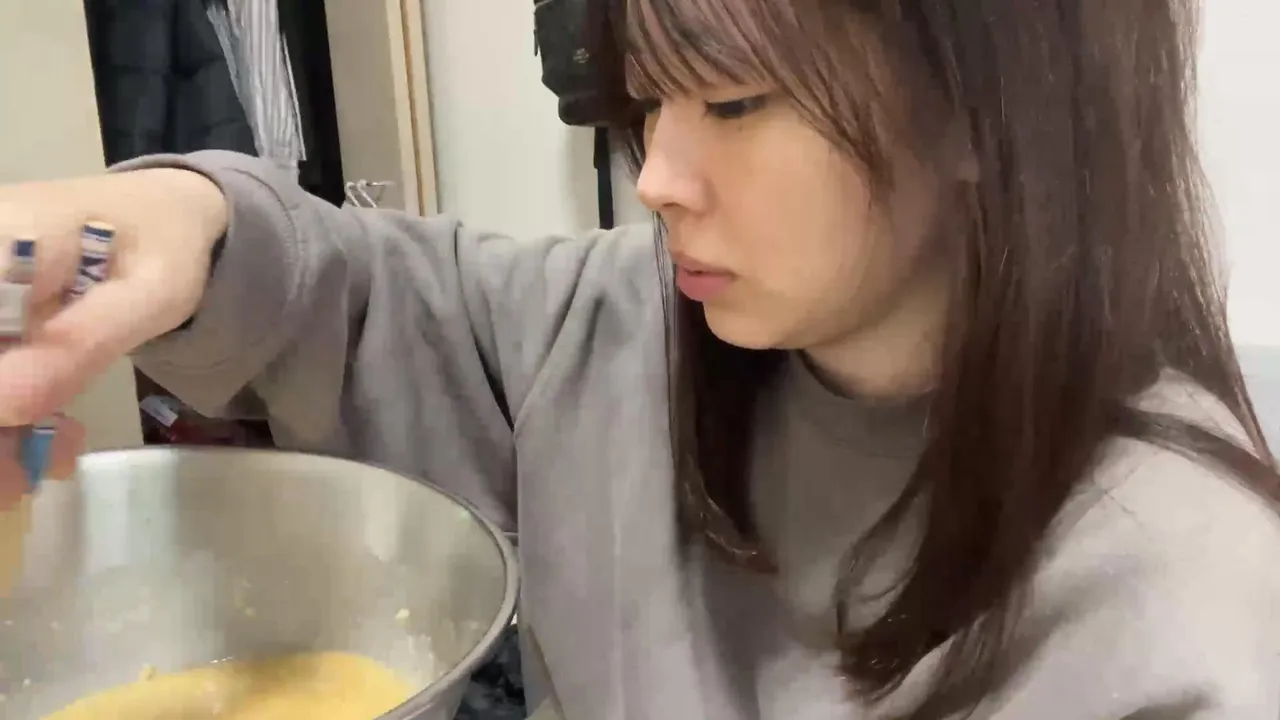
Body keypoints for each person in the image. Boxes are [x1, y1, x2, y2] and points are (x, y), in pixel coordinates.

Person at [1, 0, 1278, 717]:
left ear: (985, 116)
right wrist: (172, 222)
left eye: (731, 102)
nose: (657, 176)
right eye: (648, 100)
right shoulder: (622, 327)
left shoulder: (1166, 608)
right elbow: (353, 292)